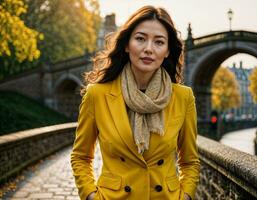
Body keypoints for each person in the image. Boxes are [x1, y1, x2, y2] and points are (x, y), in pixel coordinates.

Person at [71, 5, 200, 200]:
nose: (149, 49)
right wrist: (90, 196)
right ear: (126, 44)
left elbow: (190, 161)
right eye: (140, 39)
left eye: (159, 42)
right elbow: (81, 157)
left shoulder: (183, 97)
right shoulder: (97, 95)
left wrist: (186, 196)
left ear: (167, 51)